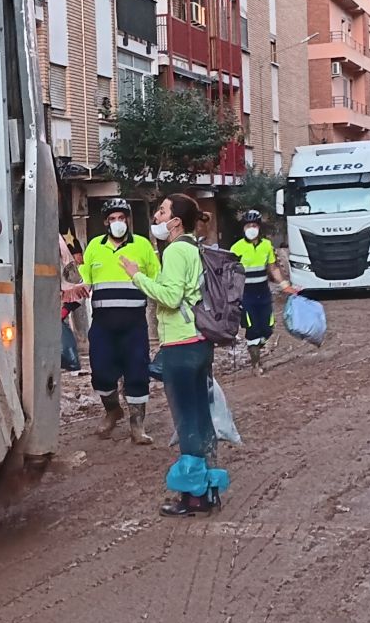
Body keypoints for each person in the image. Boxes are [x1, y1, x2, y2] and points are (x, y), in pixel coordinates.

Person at [118, 193, 219, 516]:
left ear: (175, 222)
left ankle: (193, 498)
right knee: (201, 416)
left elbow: (171, 297)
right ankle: (207, 488)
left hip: (180, 345)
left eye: (162, 212)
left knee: (187, 419)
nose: (157, 218)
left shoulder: (176, 251)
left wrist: (137, 275)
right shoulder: (194, 248)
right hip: (199, 342)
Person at [81, 198, 159, 443]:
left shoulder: (143, 246)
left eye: (121, 218)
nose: (117, 223)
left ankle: (138, 427)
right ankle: (112, 410)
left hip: (134, 325)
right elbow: (85, 282)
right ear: (106, 222)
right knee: (101, 374)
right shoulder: (94, 246)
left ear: (128, 220)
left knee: (137, 374)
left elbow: (156, 282)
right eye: (112, 219)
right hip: (103, 325)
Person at [229, 210, 293, 372]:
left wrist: (285, 284)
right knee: (253, 329)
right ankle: (256, 364)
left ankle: (257, 346)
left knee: (268, 328)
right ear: (243, 228)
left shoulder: (266, 246)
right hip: (246, 295)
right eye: (248, 225)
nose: (251, 228)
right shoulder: (236, 248)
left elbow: (273, 268)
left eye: (254, 225)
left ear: (259, 228)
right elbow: (230, 273)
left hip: (263, 293)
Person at [58, 233, 88, 372]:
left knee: (58, 323)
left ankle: (70, 360)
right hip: (62, 293)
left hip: (62, 294)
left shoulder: (58, 242)